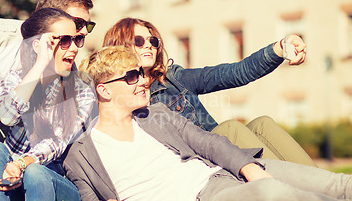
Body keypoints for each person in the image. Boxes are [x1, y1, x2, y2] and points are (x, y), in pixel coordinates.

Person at [64, 46, 351, 201]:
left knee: (337, 182)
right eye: (131, 77)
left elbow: (209, 142)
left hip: (228, 171)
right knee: (272, 194)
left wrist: (251, 170)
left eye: (140, 74)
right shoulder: (82, 154)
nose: (142, 81)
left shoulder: (157, 114)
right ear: (104, 90)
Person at [103, 18, 316, 167]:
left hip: (221, 151)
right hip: (198, 165)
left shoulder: (174, 79)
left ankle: (327, 184)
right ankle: (285, 185)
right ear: (120, 46)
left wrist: (279, 48)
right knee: (229, 128)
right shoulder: (115, 94)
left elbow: (233, 73)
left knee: (262, 124)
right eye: (139, 41)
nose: (148, 45)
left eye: (153, 41)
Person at [0, 8, 96, 201]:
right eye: (63, 40)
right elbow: (5, 116)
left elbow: (56, 144)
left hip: (49, 181)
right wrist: (40, 64)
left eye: (77, 39)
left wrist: (21, 164)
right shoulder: (18, 77)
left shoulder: (82, 91)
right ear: (38, 44)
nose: (73, 48)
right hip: (10, 177)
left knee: (35, 170)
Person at [0, 0, 95, 141]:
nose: (83, 31)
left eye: (88, 25)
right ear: (48, 16)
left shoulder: (68, 70)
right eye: (78, 22)